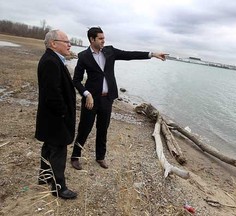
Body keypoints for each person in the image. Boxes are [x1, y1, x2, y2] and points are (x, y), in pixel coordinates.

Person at [71, 27, 167, 170]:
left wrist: (152, 54)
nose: (104, 41)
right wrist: (86, 94)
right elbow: (76, 80)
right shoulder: (83, 56)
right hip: (91, 100)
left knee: (103, 129)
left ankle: (100, 157)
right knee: (84, 129)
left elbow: (129, 54)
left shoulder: (109, 51)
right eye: (101, 38)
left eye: (104, 38)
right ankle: (75, 157)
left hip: (107, 99)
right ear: (92, 39)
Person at [35, 29, 77, 199]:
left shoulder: (53, 59)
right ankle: (59, 188)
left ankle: (44, 178)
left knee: (48, 147)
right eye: (66, 41)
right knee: (58, 151)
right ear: (53, 43)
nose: (69, 44)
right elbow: (52, 94)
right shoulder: (51, 62)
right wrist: (64, 114)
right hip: (55, 119)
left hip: (51, 118)